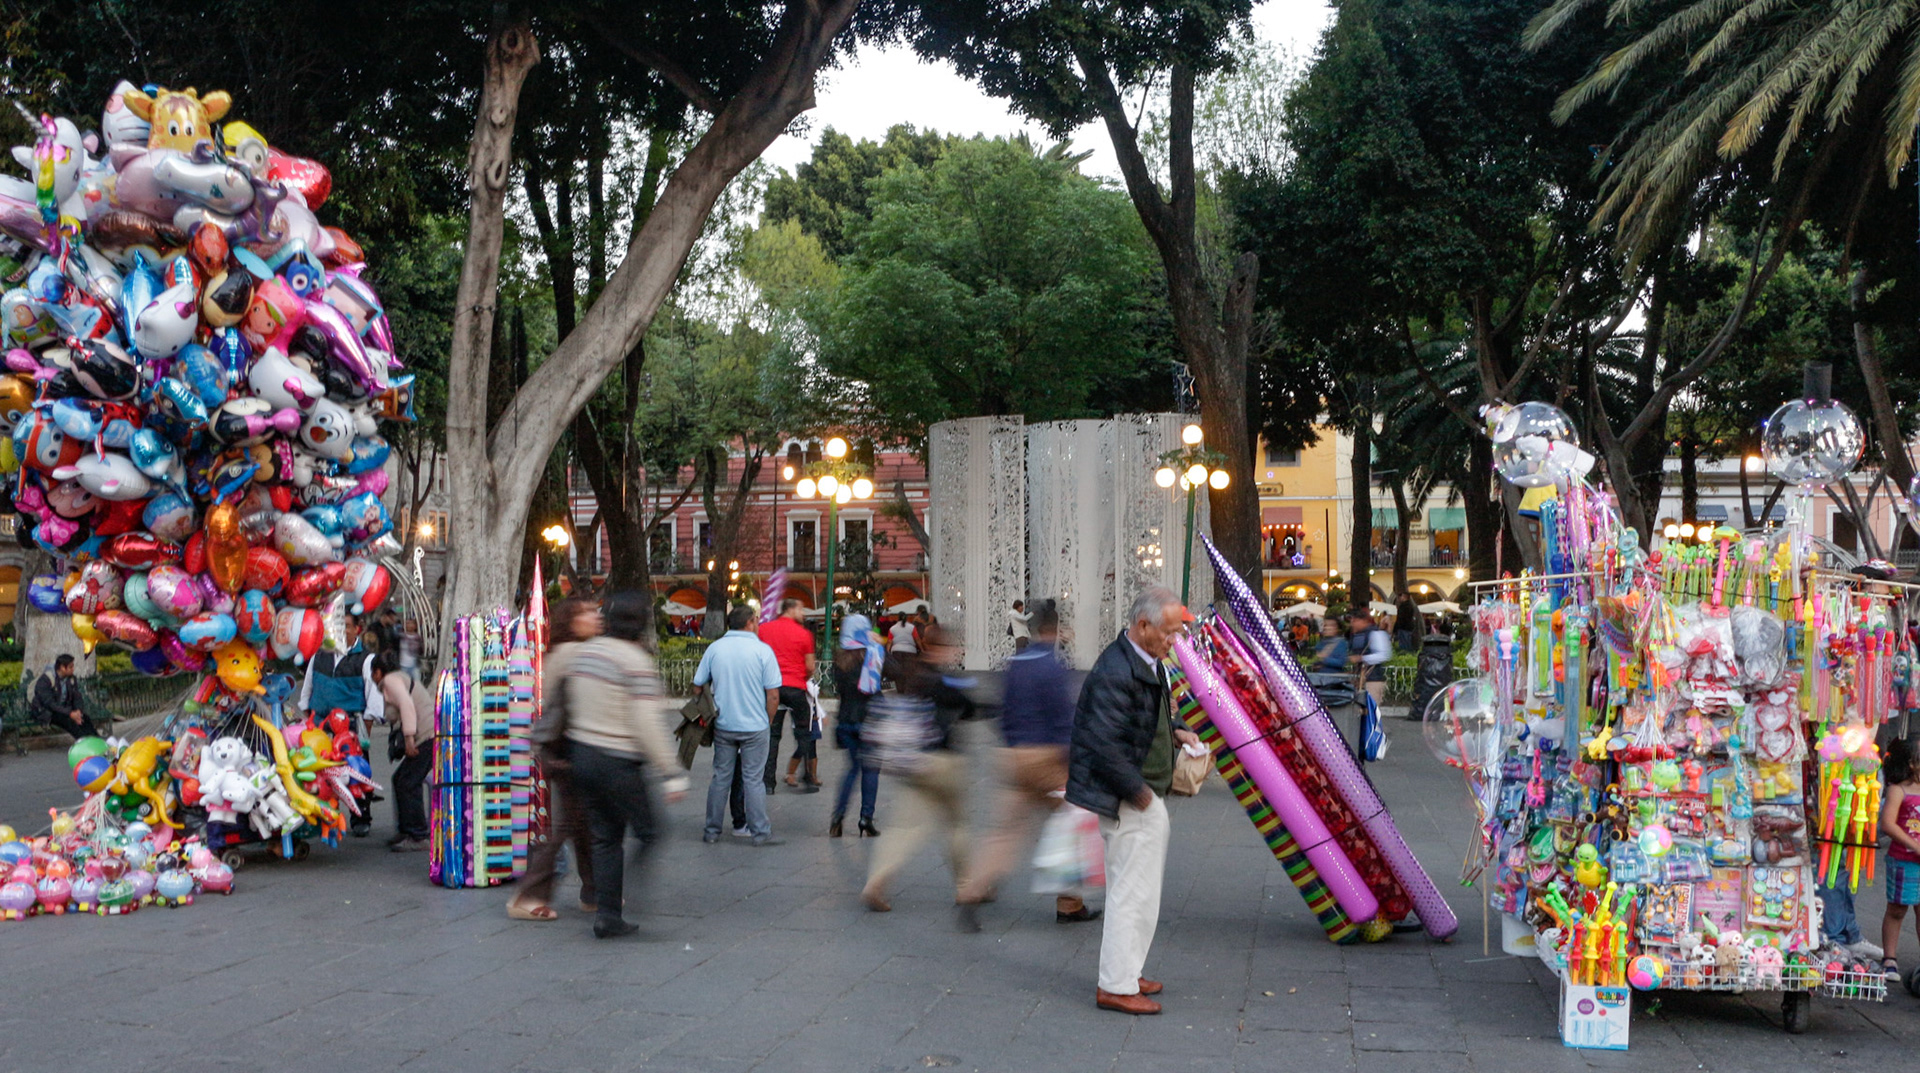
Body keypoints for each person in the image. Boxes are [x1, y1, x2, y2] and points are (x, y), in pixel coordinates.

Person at [1067, 585, 1201, 1015]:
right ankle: (1116, 985)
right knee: (1131, 893)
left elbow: (1150, 714)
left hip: (1141, 792)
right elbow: (1101, 743)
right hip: (1130, 796)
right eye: (1169, 632)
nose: (1174, 640)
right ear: (1143, 625)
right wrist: (1137, 793)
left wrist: (1176, 730)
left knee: (1142, 892)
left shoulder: (1144, 661)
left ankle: (1129, 971)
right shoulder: (1116, 670)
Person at [553, 590, 688, 939]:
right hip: (618, 761)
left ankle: (608, 915)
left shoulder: (585, 653)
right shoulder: (635, 661)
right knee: (650, 831)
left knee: (604, 838)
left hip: (582, 755)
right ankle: (631, 888)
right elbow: (646, 722)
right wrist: (671, 772)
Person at [957, 600, 1098, 929]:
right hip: (1047, 759)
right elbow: (1062, 719)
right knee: (1072, 824)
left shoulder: (1015, 663)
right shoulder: (1053, 667)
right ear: (1054, 630)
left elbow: (1000, 710)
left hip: (1014, 756)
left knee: (1005, 832)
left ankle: (972, 892)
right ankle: (1069, 903)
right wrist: (1070, 760)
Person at [860, 625, 978, 918]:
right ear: (943, 650)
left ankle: (877, 881)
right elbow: (969, 709)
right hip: (945, 762)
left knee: (903, 829)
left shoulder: (913, 675)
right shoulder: (946, 681)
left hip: (914, 761)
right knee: (957, 825)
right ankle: (965, 887)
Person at [510, 598, 604, 922]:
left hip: (565, 748)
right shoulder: (574, 654)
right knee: (566, 825)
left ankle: (593, 891)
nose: (595, 616)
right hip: (568, 749)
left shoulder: (565, 652)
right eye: (586, 613)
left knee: (580, 823)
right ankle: (529, 894)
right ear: (571, 622)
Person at [694, 606, 784, 846]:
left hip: (724, 724)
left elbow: (697, 685)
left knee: (720, 778)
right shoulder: (763, 651)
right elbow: (773, 695)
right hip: (755, 726)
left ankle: (712, 831)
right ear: (750, 623)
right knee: (753, 780)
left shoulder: (715, 649)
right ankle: (760, 833)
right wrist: (768, 720)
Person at [298, 613, 385, 836]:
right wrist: (312, 720)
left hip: (351, 728)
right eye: (337, 626)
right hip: (320, 727)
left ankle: (361, 818)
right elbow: (307, 692)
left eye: (346, 626)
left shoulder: (366, 660)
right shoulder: (319, 656)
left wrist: (362, 734)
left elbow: (374, 700)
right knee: (317, 775)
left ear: (358, 629)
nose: (341, 630)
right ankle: (319, 819)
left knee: (357, 774)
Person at [830, 612, 884, 838]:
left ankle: (838, 817)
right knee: (870, 770)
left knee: (852, 769)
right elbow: (892, 671)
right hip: (869, 722)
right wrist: (877, 644)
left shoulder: (839, 662)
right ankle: (866, 818)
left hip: (846, 721)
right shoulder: (872, 657)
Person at [759, 599, 821, 794]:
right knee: (804, 733)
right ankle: (807, 778)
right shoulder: (804, 634)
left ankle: (768, 782)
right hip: (795, 687)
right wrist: (803, 678)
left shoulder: (764, 630)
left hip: (772, 688)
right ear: (791, 609)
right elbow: (810, 666)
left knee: (772, 735)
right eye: (801, 609)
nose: (803, 613)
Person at [373, 652, 434, 851]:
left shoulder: (390, 681)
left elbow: (407, 705)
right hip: (426, 734)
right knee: (400, 779)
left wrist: (408, 738)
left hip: (426, 736)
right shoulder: (398, 678)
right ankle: (406, 830)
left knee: (408, 782)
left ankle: (417, 835)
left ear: (378, 672)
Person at [1880, 738, 1920, 978]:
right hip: (1904, 861)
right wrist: (1915, 846)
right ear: (1912, 763)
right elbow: (1888, 824)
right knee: (1896, 910)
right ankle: (1890, 958)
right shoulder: (1899, 790)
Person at [30, 655, 92, 740]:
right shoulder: (46, 680)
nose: (73, 669)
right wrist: (70, 713)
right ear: (62, 667)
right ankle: (83, 741)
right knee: (68, 721)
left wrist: (78, 711)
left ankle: (97, 740)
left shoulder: (71, 679)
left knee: (85, 719)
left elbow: (77, 697)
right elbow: (49, 703)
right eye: (70, 667)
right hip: (46, 712)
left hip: (63, 710)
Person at [1348, 609, 1391, 710]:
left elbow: (1384, 655)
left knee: (1371, 711)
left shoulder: (1376, 634)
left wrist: (1362, 658)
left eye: (1355, 621)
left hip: (1373, 679)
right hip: (1359, 679)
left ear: (1363, 621)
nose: (1352, 624)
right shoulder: (1356, 635)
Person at [399, 617, 423, 683]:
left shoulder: (417, 638)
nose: (409, 625)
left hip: (414, 665)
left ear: (415, 626)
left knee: (417, 683)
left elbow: (421, 650)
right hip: (403, 665)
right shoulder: (401, 637)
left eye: (411, 623)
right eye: (407, 623)